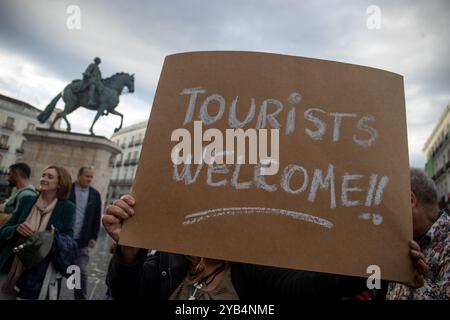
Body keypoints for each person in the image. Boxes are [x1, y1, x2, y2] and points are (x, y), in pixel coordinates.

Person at [102, 194, 428, 300]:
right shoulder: (169, 258)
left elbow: (309, 285)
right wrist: (129, 252)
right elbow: (126, 292)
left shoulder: (254, 265)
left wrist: (379, 265)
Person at [0, 165, 75, 300]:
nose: (44, 178)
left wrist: (53, 237)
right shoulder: (27, 201)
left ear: (60, 183)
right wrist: (16, 229)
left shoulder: (67, 208)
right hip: (12, 266)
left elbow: (69, 242)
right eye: (43, 175)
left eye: (50, 177)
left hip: (41, 273)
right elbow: (3, 231)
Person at [386, 168, 449, 300]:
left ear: (410, 200)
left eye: (392, 204)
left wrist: (418, 286)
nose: (389, 214)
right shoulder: (405, 240)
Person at [69, 166, 102, 300]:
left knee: (80, 270)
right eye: (87, 176)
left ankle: (80, 298)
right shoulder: (68, 189)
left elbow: (96, 216)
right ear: (79, 175)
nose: (89, 179)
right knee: (57, 269)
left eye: (91, 177)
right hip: (65, 238)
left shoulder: (95, 194)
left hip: (82, 240)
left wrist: (94, 237)